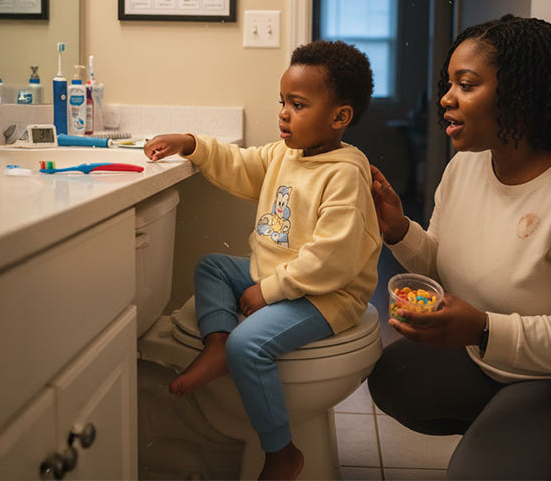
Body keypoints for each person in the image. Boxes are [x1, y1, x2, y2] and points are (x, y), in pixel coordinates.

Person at [368, 15, 551, 480]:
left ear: (520, 96)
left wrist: (481, 329)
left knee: (477, 474)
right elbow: (443, 261)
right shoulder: (466, 167)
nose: (446, 98)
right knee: (394, 378)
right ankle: (510, 431)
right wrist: (399, 229)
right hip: (497, 357)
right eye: (449, 83)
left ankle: (523, 442)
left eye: (466, 84)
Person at [143, 40, 381, 481]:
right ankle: (215, 346)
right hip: (279, 277)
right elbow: (240, 163)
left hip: (329, 296)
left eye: (299, 104)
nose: (284, 113)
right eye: (283, 102)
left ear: (340, 117)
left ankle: (282, 452)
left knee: (247, 345)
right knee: (212, 265)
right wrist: (191, 143)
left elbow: (332, 259)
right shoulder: (285, 154)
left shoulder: (344, 173)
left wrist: (268, 290)